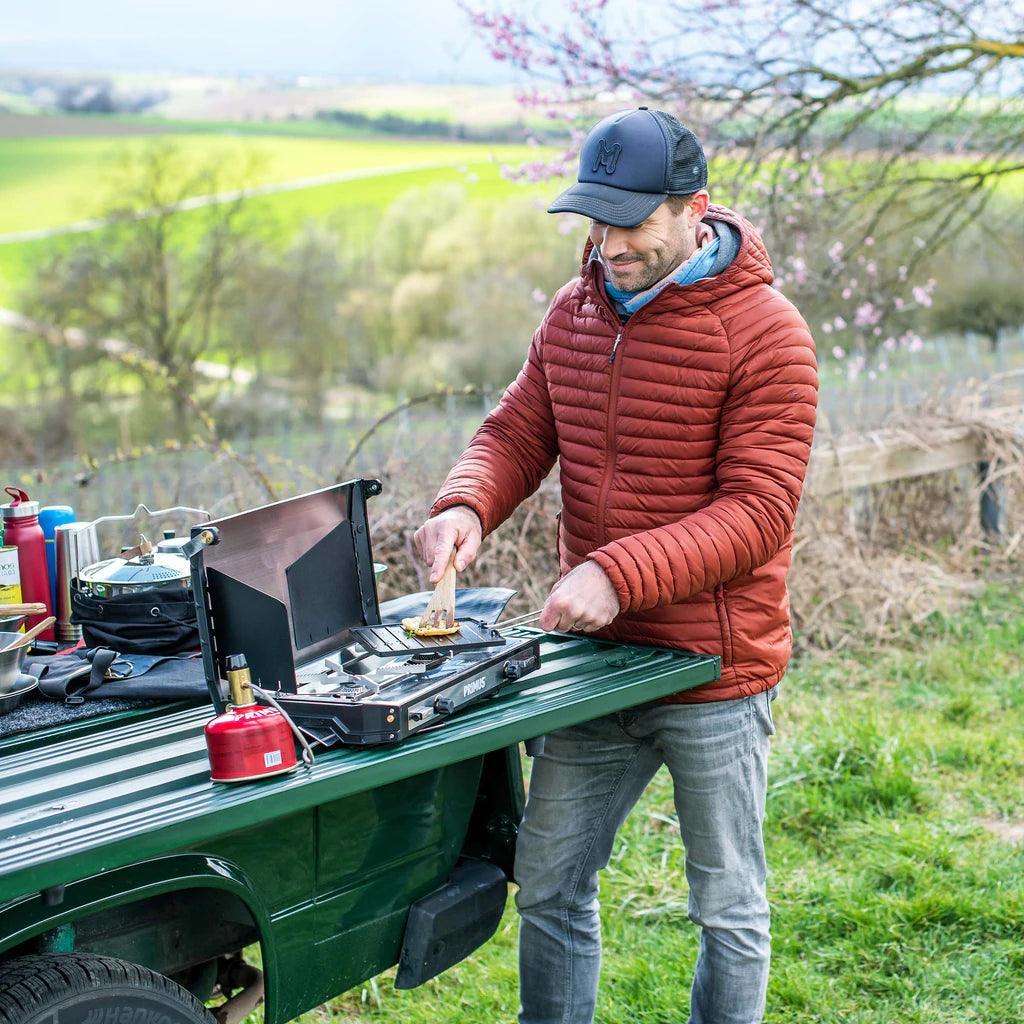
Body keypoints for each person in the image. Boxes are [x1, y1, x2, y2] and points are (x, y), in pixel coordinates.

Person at [413, 107, 818, 1024]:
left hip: (711, 669)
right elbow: (519, 430)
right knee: (550, 886)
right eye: (596, 218)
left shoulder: (768, 334)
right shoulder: (575, 309)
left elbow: (758, 513)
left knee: (727, 907)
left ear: (694, 210)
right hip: (594, 667)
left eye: (631, 220)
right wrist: (464, 504)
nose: (607, 242)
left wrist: (617, 573)